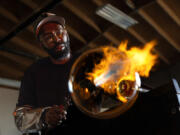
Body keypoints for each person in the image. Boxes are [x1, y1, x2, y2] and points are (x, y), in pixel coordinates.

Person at [13, 12, 79, 135]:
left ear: (66, 34)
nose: (57, 39)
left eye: (59, 32)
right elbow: (20, 119)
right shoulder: (33, 72)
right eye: (48, 37)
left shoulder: (86, 62)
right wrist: (44, 116)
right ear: (41, 44)